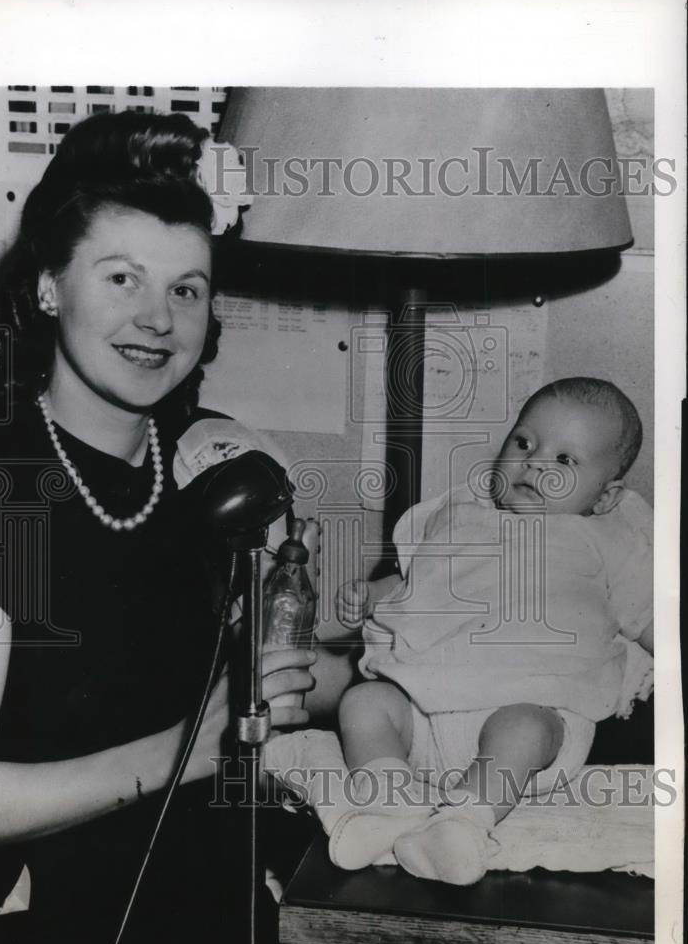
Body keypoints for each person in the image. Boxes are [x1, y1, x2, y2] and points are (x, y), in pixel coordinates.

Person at [0, 111, 350, 944]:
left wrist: (376, 656)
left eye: (186, 289)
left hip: (220, 892)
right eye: (122, 279)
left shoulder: (224, 469)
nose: (159, 320)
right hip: (45, 924)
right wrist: (183, 750)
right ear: (49, 286)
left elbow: (271, 692)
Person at [266, 377, 653, 884]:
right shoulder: (460, 513)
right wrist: (373, 595)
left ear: (605, 497)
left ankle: (463, 824)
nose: (535, 463)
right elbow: (417, 580)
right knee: (365, 703)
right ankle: (389, 807)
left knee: (523, 728)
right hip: (425, 719)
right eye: (524, 443)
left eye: (565, 460)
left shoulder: (608, 536)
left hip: (536, 721)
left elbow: (653, 623)